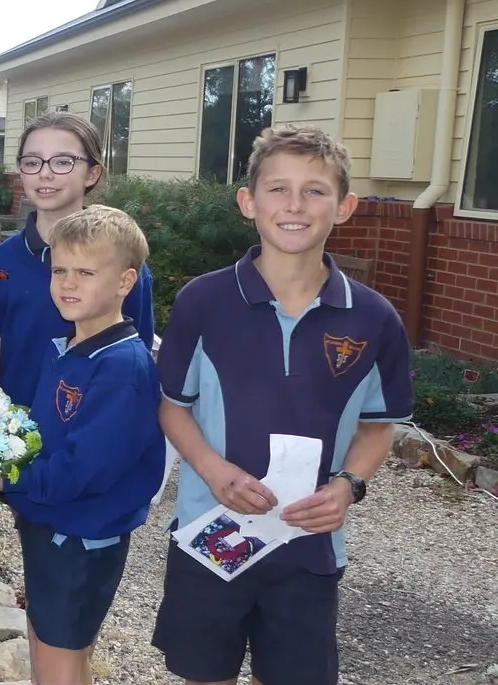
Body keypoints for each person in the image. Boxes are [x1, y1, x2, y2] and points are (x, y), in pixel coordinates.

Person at [151, 125, 414, 685]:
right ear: (249, 202)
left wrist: (348, 486)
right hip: (212, 533)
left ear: (344, 207)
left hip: (308, 547)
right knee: (203, 674)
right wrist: (214, 470)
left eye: (315, 191)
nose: (295, 205)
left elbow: (377, 426)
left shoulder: (373, 318)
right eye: (278, 189)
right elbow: (173, 407)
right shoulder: (204, 302)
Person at [0, 205, 165, 685]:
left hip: (83, 536)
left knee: (64, 655)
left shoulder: (122, 366)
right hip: (50, 522)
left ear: (126, 281)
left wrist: (7, 475)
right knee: (48, 642)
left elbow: (86, 467)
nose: (68, 283)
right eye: (60, 270)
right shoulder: (65, 347)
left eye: (86, 272)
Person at [0, 111, 155, 394]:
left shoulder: (120, 262)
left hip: (92, 421)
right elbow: (10, 331)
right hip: (15, 421)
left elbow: (137, 345)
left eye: (63, 161)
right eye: (32, 162)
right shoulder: (5, 260)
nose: (45, 172)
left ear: (92, 173)